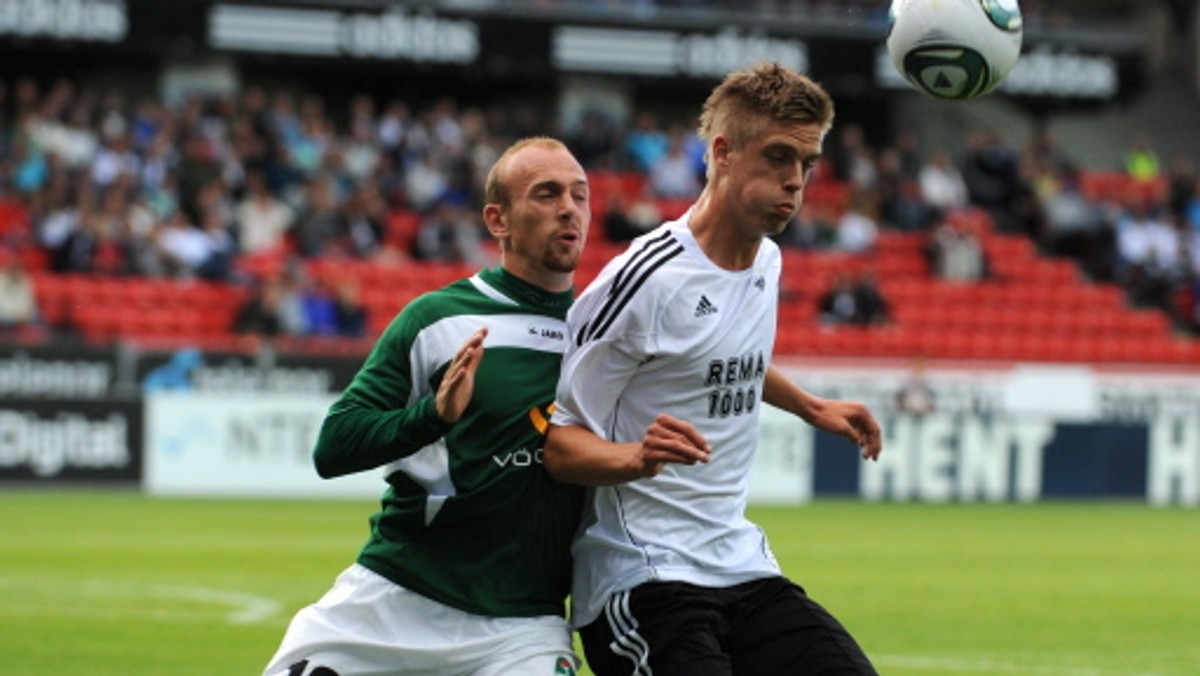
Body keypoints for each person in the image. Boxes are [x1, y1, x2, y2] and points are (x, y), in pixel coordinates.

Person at [544, 62, 882, 675]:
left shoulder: (768, 262)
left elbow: (716, 355)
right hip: (641, 576)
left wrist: (811, 406)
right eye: (778, 158)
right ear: (722, 152)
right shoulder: (643, 281)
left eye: (806, 165)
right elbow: (559, 444)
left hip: (741, 565)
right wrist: (634, 459)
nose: (795, 182)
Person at [263, 136, 590, 676]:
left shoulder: (602, 334)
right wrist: (432, 417)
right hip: (393, 602)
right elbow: (334, 447)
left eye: (579, 195)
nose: (568, 208)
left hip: (521, 627)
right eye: (546, 194)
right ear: (498, 219)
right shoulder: (437, 319)